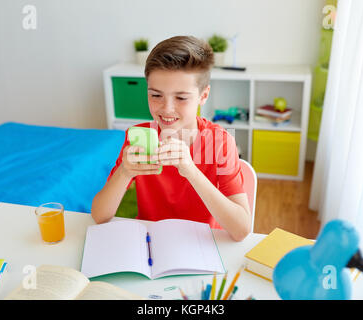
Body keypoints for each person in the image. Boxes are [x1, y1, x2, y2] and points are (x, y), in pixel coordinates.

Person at [91, 35, 251, 241]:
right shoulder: (139, 137)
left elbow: (241, 230)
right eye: (156, 95)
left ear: (203, 95)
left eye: (181, 98)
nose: (166, 109)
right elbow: (99, 216)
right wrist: (123, 172)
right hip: (152, 241)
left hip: (202, 243)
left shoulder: (219, 142)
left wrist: (191, 171)